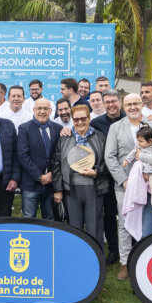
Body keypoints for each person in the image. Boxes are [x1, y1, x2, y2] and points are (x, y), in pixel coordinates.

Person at [105, 93, 152, 280]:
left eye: (136, 103)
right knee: (125, 223)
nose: (133, 107)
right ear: (122, 106)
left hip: (150, 184)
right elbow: (109, 156)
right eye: (129, 104)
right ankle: (125, 263)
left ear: (142, 105)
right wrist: (123, 180)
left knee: (148, 222)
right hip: (125, 186)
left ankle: (146, 261)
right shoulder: (115, 128)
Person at [52, 105, 109, 245]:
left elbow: (108, 161)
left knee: (94, 226)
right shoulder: (64, 138)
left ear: (89, 118)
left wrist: (96, 172)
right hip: (71, 189)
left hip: (94, 187)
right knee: (74, 226)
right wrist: (58, 189)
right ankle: (77, 260)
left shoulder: (100, 137)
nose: (80, 122)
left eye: (83, 118)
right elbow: (56, 164)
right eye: (76, 119)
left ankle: (96, 261)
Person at [90, 89, 125, 265]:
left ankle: (132, 249)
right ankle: (113, 250)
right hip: (105, 176)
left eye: (114, 101)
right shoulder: (96, 123)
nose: (111, 105)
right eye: (107, 102)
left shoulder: (130, 118)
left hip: (127, 176)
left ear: (120, 101)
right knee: (109, 214)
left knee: (129, 214)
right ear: (103, 104)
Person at [17, 98, 62, 220]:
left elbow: (59, 155)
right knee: (29, 220)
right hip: (31, 183)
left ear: (51, 111)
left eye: (45, 108)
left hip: (51, 183)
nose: (42, 111)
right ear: (33, 110)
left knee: (50, 220)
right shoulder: (24, 129)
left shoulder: (58, 129)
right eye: (39, 108)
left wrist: (52, 174)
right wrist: (39, 176)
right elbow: (22, 156)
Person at [123, 126, 152, 208]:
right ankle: (135, 199)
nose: (138, 142)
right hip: (142, 171)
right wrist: (127, 160)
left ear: (150, 141)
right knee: (136, 182)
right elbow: (133, 153)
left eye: (141, 141)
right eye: (137, 140)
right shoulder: (139, 146)